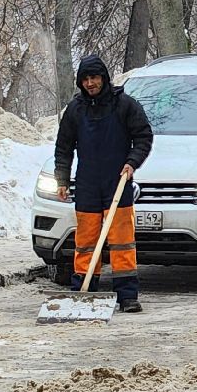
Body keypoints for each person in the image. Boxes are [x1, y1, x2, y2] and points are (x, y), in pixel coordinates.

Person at [53, 53, 153, 312]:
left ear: (104, 78)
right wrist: (62, 178)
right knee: (85, 240)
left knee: (121, 240)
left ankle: (127, 294)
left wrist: (132, 162)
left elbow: (143, 136)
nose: (90, 83)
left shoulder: (125, 105)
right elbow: (63, 147)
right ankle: (84, 291)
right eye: (85, 79)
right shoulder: (75, 110)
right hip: (87, 182)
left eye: (94, 78)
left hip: (117, 181)